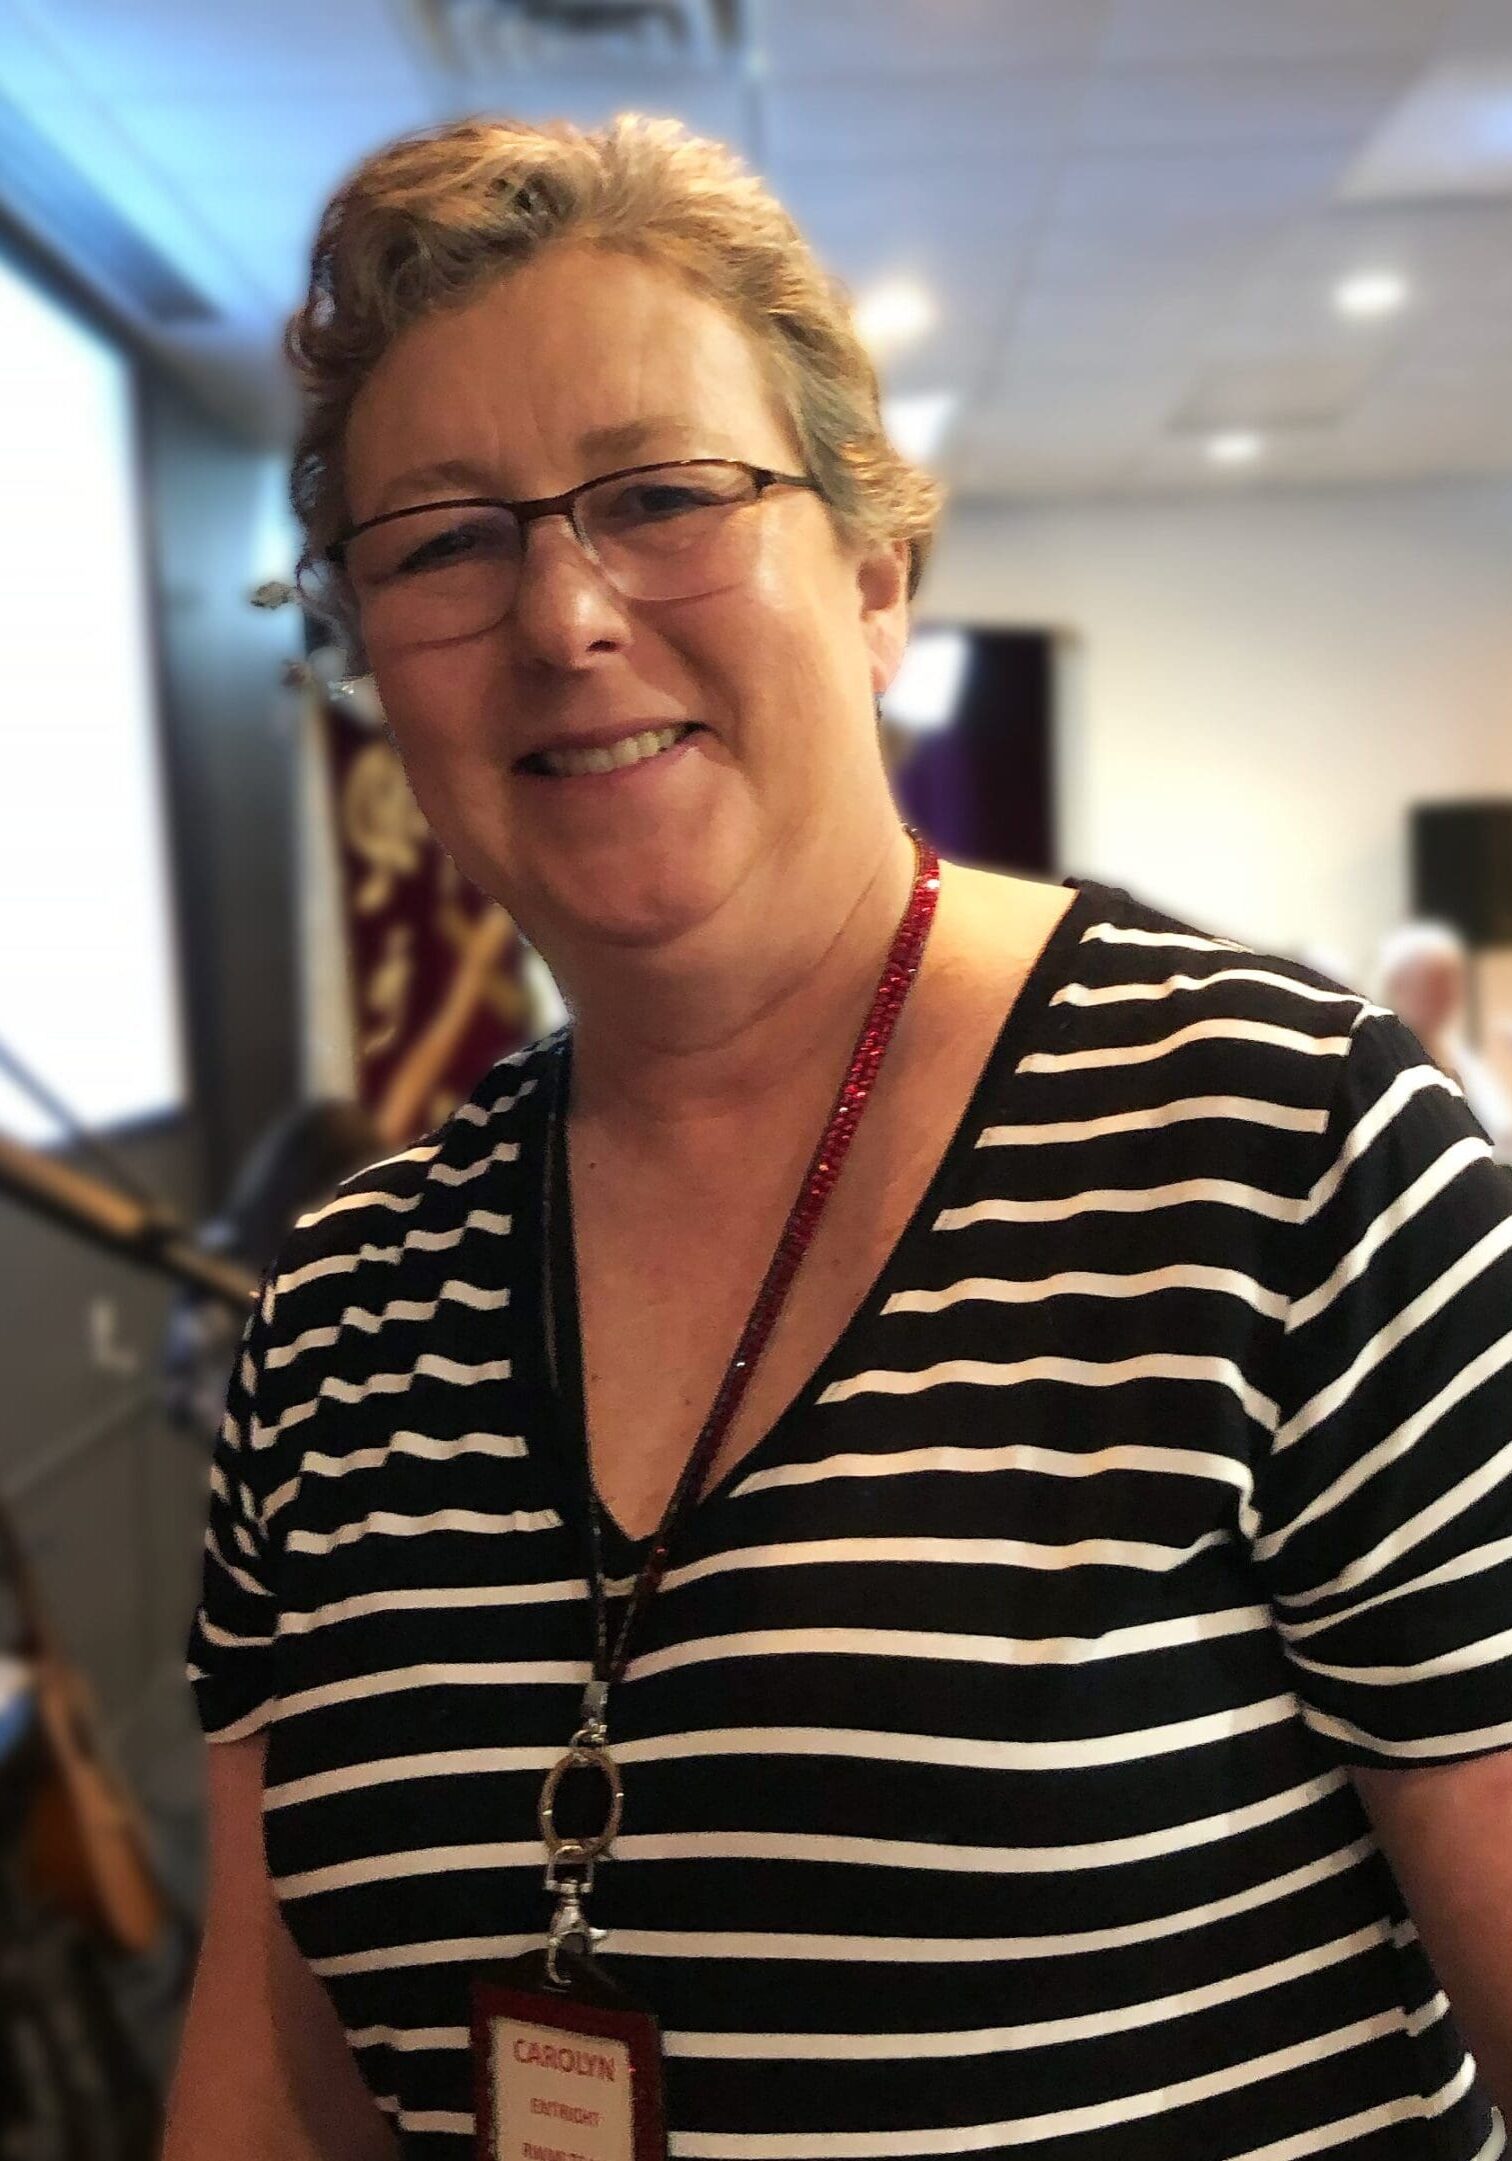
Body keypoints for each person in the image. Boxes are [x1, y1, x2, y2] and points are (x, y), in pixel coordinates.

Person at [164, 114, 1512, 2161]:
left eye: (660, 496)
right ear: (370, 681)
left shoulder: (1291, 1159)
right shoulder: (340, 1324)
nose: (566, 616)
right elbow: (274, 2074)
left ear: (877, 581)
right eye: (443, 540)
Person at [1379, 921, 1512, 1163]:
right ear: (1399, 987)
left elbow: (1501, 1129)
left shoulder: (1462, 1055)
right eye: (1434, 983)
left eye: (1452, 981)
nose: (1447, 993)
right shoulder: (1386, 1058)